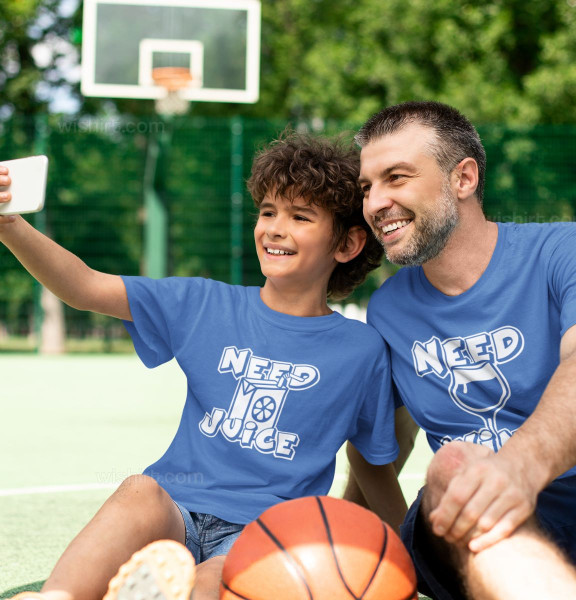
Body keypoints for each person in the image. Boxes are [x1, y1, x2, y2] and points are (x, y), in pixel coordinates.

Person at [0, 133, 403, 600]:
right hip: (174, 510)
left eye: (300, 216)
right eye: (268, 211)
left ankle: (172, 588)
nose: (274, 227)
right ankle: (58, 596)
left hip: (263, 532)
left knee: (217, 581)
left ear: (349, 244)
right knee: (139, 491)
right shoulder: (203, 303)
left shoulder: (363, 350)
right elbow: (84, 287)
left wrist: (403, 548)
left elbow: (371, 460)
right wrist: (10, 226)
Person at [346, 101, 576, 599]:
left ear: (463, 178)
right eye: (367, 188)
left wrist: (518, 467)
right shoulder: (389, 310)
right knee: (456, 467)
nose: (375, 203)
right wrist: (348, 540)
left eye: (396, 178)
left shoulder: (571, 251)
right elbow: (382, 446)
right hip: (468, 517)